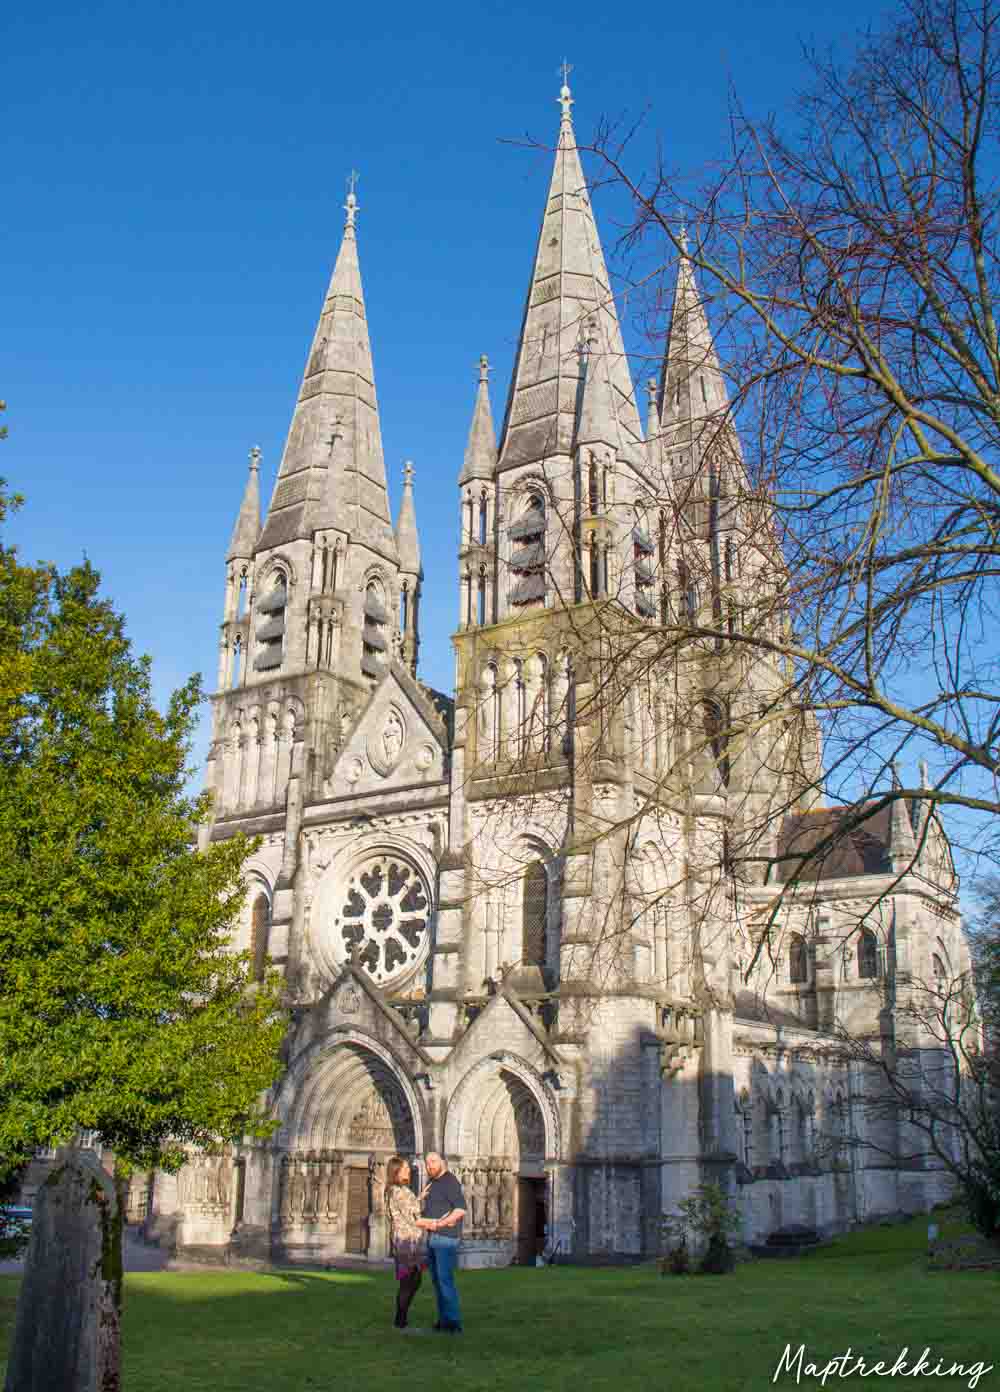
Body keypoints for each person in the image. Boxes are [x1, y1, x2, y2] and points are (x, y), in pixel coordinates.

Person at [419, 1151, 467, 1334]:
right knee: (437, 1281)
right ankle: (444, 1320)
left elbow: (461, 1209)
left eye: (433, 1161)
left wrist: (440, 1224)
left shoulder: (450, 1181)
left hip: (445, 1238)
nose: (429, 1165)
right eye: (427, 1162)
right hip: (432, 1238)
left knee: (445, 1280)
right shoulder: (431, 1183)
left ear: (443, 1162)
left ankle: (454, 1323)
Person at [384, 1156, 427, 1331]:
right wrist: (434, 1223)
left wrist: (419, 1198)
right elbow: (411, 1215)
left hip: (410, 1239)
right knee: (409, 1280)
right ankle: (400, 1321)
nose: (409, 1170)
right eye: (406, 1168)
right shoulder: (397, 1191)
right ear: (397, 1171)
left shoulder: (400, 1190)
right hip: (405, 1240)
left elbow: (410, 1208)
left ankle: (401, 1319)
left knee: (414, 1279)